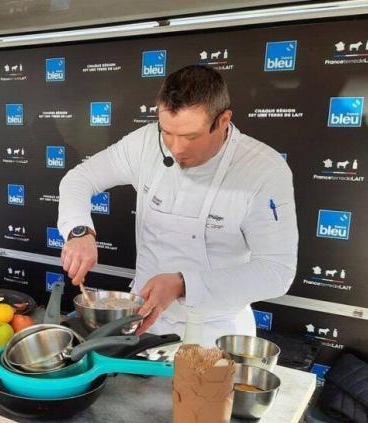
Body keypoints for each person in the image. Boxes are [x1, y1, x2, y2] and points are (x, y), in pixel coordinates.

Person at [58, 65, 298, 345]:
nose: (176, 147)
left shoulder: (263, 170)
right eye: (167, 132)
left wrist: (183, 284)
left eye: (191, 136)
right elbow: (79, 178)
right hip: (141, 321)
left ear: (223, 121)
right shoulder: (146, 143)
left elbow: (276, 272)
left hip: (216, 331)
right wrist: (79, 231)